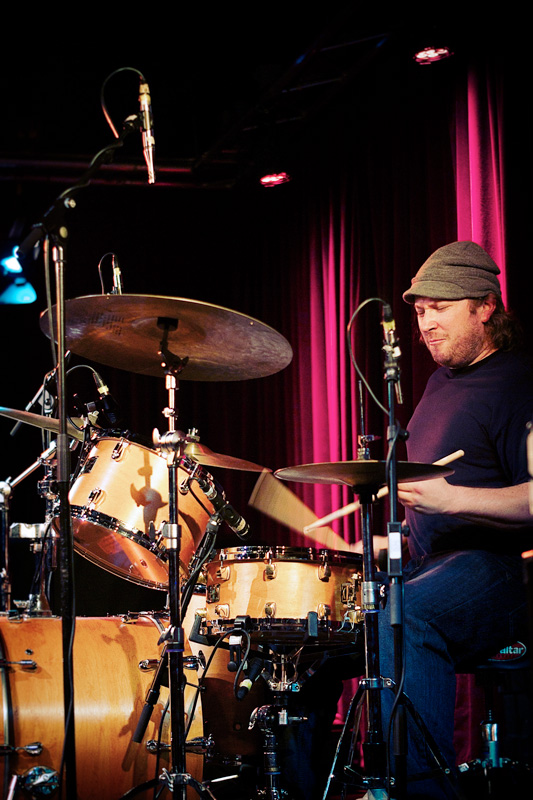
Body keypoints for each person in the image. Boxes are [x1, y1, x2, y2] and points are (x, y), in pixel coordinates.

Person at [375, 241, 533, 798]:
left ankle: (421, 792)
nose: (426, 324)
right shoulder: (439, 384)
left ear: (485, 307)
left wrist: (450, 501)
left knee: (405, 614)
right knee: (311, 635)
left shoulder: (518, 381)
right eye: (420, 311)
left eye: (440, 307)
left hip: (498, 570)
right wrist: (384, 543)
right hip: (429, 565)